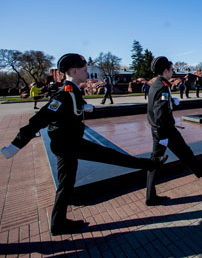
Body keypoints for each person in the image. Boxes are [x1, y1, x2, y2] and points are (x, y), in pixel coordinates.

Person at [0, 53, 166, 236]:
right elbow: (39, 120)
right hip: (69, 144)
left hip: (69, 143)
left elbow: (76, 106)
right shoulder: (63, 95)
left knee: (67, 183)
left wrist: (86, 107)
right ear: (74, 70)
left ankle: (58, 223)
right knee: (111, 156)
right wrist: (16, 145)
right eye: (85, 70)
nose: (88, 73)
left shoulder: (72, 92)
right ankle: (151, 164)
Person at [146, 56, 202, 205]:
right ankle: (150, 197)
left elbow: (156, 108)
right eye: (171, 69)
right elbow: (159, 112)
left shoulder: (157, 84)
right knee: (156, 162)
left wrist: (171, 102)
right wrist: (162, 131)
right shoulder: (163, 86)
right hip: (164, 131)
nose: (173, 72)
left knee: (184, 151)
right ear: (165, 70)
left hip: (163, 129)